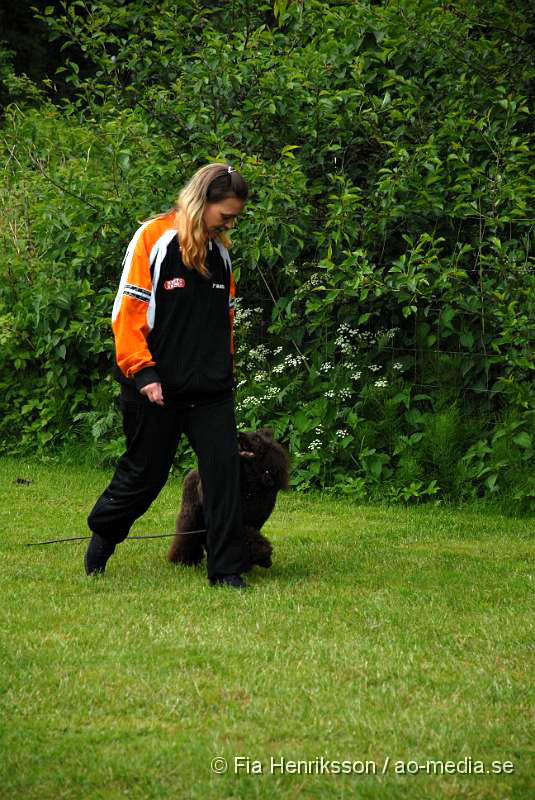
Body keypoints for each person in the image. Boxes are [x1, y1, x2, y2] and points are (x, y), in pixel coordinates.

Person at [85, 163, 251, 590]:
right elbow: (127, 313)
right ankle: (104, 535)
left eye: (234, 217)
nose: (229, 224)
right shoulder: (154, 240)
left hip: (210, 391)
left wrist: (225, 374)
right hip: (154, 386)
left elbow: (224, 324)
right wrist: (144, 373)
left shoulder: (222, 256)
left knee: (223, 471)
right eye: (225, 215)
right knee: (145, 474)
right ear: (202, 203)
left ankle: (227, 569)